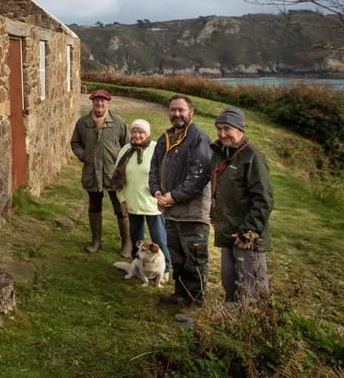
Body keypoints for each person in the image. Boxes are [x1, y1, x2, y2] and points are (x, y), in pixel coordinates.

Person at [149, 94, 212, 307]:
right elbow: (154, 168)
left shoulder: (199, 138)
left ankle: (195, 301)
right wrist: (157, 190)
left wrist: (174, 196)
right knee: (177, 256)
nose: (177, 114)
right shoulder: (164, 138)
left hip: (193, 214)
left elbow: (199, 176)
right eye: (173, 110)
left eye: (181, 110)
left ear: (191, 111)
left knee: (194, 258)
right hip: (172, 212)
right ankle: (180, 293)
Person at [210, 106, 274, 305]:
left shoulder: (252, 157)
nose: (222, 134)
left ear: (240, 129)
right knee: (230, 281)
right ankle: (231, 320)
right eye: (219, 128)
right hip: (228, 230)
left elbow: (263, 200)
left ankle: (251, 326)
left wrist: (248, 232)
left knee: (251, 287)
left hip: (245, 236)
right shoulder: (222, 153)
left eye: (227, 128)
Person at [71, 89, 132, 254]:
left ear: (108, 103)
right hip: (92, 172)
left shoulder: (118, 123)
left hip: (113, 173)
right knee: (94, 207)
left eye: (102, 101)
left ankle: (127, 243)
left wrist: (122, 166)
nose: (99, 104)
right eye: (96, 100)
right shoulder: (83, 123)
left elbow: (127, 146)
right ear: (92, 102)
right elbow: (75, 143)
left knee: (120, 209)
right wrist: (83, 156)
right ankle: (96, 241)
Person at [115, 119, 170, 273]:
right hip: (133, 202)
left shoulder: (156, 149)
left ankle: (164, 269)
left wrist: (157, 187)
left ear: (148, 133)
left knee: (159, 238)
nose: (137, 135)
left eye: (141, 132)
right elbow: (118, 177)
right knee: (136, 238)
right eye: (134, 131)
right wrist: (123, 199)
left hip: (153, 203)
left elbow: (166, 174)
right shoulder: (126, 150)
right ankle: (137, 266)